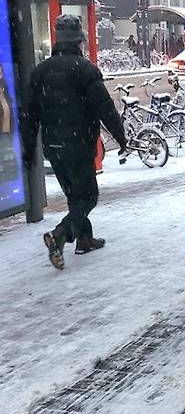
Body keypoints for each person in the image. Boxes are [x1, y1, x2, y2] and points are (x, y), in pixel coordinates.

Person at [23, 15, 128, 270]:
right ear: (79, 41)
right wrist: (120, 136)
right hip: (79, 144)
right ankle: (60, 235)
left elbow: (29, 115)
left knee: (74, 194)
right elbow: (105, 108)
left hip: (54, 147)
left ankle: (84, 239)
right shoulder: (84, 69)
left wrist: (28, 150)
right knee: (88, 196)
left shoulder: (40, 72)